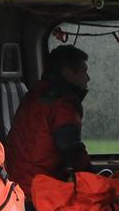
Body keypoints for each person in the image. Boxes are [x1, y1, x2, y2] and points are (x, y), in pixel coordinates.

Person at [5, 44, 93, 199]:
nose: (88, 78)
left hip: (19, 185)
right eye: (83, 71)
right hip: (38, 191)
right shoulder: (62, 104)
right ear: (67, 73)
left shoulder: (35, 96)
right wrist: (95, 177)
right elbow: (72, 148)